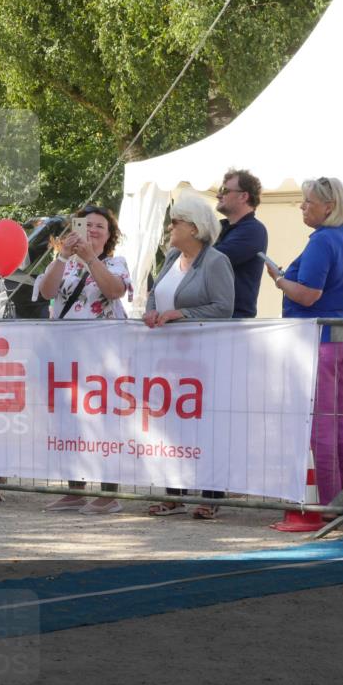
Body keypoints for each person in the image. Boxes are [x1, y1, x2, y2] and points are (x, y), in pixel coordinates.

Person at [265, 176, 343, 512]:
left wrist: (279, 280)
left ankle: (329, 501)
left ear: (328, 206)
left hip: (321, 341)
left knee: (322, 423)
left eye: (308, 202)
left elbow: (308, 294)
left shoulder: (322, 242)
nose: (302, 207)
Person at [36, 204, 133, 515]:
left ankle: (109, 493)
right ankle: (74, 490)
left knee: (105, 423)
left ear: (109, 235)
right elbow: (48, 291)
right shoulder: (63, 263)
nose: (91, 231)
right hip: (66, 356)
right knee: (68, 422)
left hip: (102, 357)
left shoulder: (116, 263)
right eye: (86, 225)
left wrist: (91, 258)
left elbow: (115, 291)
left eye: (99, 227)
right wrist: (64, 256)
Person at [144, 192, 234, 519]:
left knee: (206, 426)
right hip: (168, 358)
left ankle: (211, 497)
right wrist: (151, 313)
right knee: (172, 426)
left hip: (204, 357)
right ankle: (173, 493)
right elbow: (155, 293)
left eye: (176, 223)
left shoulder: (216, 261)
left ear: (194, 228)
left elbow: (224, 308)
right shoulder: (170, 257)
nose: (170, 228)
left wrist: (181, 314)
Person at [214, 168, 269, 318]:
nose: (218, 195)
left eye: (224, 190)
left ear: (243, 196)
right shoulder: (219, 227)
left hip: (233, 321)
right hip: (212, 318)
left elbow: (213, 259)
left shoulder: (254, 230)